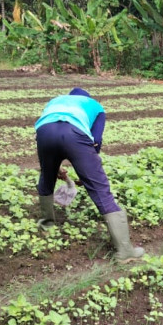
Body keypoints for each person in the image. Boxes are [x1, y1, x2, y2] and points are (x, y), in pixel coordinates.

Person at [34, 87, 145, 262]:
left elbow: (52, 131)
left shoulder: (55, 101)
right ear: (87, 98)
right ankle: (124, 252)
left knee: (46, 178)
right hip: (75, 135)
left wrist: (55, 168)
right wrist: (89, 168)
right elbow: (96, 140)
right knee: (101, 190)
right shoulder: (95, 106)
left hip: (44, 133)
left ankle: (46, 224)